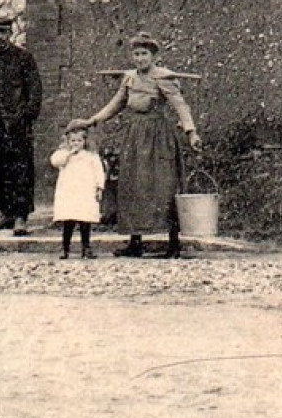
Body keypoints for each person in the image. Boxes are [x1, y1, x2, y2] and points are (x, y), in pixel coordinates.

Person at [74, 33, 202, 259]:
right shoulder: (129, 78)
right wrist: (92, 120)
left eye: (144, 54)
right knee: (131, 186)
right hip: (134, 137)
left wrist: (191, 132)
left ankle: (173, 243)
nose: (140, 58)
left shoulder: (164, 78)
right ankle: (135, 242)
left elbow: (181, 106)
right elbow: (115, 104)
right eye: (136, 54)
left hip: (158, 137)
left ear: (153, 56)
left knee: (163, 185)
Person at [0, 15, 43, 236]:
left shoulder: (23, 58)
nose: (0, 37)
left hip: (16, 124)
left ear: (11, 33)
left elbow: (34, 90)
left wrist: (26, 116)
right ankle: (6, 213)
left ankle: (21, 216)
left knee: (20, 169)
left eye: (4, 33)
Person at [51, 122, 107, 260]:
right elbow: (55, 161)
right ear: (68, 141)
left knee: (85, 221)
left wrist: (99, 187)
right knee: (68, 222)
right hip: (69, 192)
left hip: (85, 192)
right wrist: (69, 153)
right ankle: (65, 248)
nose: (76, 143)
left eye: (79, 140)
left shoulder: (91, 156)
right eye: (73, 141)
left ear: (85, 141)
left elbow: (99, 171)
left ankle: (86, 248)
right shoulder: (63, 154)